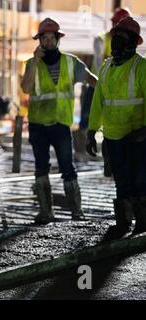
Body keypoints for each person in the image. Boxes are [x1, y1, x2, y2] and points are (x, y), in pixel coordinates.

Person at [20, 18, 97, 224]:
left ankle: (76, 210)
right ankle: (46, 211)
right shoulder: (31, 63)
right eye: (42, 38)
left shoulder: (71, 63)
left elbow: (92, 80)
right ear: (39, 41)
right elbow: (26, 88)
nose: (46, 42)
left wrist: (105, 95)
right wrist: (35, 62)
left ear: (57, 38)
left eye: (50, 38)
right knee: (41, 168)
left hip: (61, 125)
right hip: (38, 125)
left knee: (67, 167)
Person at [87, 17, 146, 240]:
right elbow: (98, 101)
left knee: (140, 181)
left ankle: (142, 222)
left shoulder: (141, 67)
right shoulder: (105, 68)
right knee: (121, 181)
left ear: (133, 43)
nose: (116, 44)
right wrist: (92, 131)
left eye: (122, 39)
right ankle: (123, 221)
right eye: (115, 39)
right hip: (113, 138)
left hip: (138, 138)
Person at [75, 7, 132, 164]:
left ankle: (112, 154)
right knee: (87, 117)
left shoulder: (129, 43)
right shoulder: (101, 39)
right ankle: (81, 151)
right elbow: (99, 61)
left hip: (116, 88)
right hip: (96, 85)